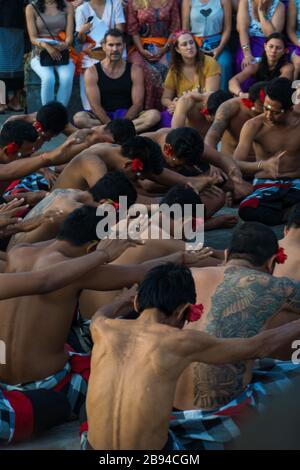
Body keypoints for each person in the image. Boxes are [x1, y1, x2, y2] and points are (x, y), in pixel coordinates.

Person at [0, 204, 200, 444]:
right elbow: (138, 272)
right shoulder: (77, 271)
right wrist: (178, 258)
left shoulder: (18, 251)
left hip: (5, 375)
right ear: (91, 247)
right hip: (50, 382)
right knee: (118, 363)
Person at [83, 262, 300, 450]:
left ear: (137, 302)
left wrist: (122, 300)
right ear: (182, 311)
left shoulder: (101, 328)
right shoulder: (180, 341)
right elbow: (258, 347)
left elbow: (99, 315)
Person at [174, 222, 300, 412]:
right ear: (272, 261)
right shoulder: (277, 286)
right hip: (220, 413)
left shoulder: (185, 275)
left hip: (165, 404)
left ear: (226, 254)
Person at [8, 171, 137, 247]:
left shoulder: (69, 192)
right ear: (105, 203)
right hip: (15, 256)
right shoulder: (76, 210)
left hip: (13, 246)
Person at [234, 78, 300, 225]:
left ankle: (288, 212)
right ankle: (290, 214)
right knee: (247, 209)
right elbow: (235, 164)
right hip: (266, 184)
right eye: (265, 108)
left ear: (290, 109)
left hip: (297, 184)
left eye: (276, 112)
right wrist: (262, 165)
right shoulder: (253, 125)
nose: (268, 115)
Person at [53, 136, 218, 195]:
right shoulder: (93, 163)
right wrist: (167, 202)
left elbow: (155, 174)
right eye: (139, 176)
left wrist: (192, 182)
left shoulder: (123, 153)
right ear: (131, 166)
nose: (140, 181)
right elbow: (114, 201)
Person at [73, 29, 161, 131]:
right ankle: (121, 132)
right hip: (103, 117)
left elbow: (138, 104)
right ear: (104, 46)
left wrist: (123, 124)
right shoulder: (92, 72)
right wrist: (111, 125)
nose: (115, 49)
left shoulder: (135, 70)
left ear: (123, 46)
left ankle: (110, 133)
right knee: (79, 119)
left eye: (118, 45)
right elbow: (95, 105)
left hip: (128, 117)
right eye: (111, 45)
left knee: (154, 115)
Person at [142, 126, 252, 202]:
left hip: (186, 186)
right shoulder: (145, 146)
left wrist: (233, 170)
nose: (180, 167)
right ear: (167, 150)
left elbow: (220, 158)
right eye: (178, 164)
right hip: (150, 198)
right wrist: (197, 181)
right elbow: (148, 185)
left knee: (233, 192)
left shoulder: (189, 142)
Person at [126, 0, 180, 110]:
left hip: (166, 46)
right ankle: (144, 109)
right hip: (140, 47)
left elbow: (175, 28)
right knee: (140, 67)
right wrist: (141, 50)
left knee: (170, 66)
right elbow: (133, 30)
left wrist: (165, 48)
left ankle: (168, 109)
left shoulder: (171, 2)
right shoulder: (134, 2)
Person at [161, 31, 221, 128]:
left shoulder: (210, 62)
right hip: (180, 111)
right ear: (177, 49)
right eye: (184, 45)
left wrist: (182, 104)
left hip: (202, 109)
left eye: (191, 42)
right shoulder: (174, 69)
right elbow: (165, 98)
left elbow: (211, 95)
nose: (189, 47)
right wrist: (173, 104)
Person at [75, 0, 125, 110]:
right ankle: (92, 111)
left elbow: (120, 31)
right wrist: (82, 32)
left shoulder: (115, 4)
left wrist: (106, 42)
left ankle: (114, 111)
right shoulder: (82, 9)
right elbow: (81, 40)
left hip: (114, 49)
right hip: (92, 53)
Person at [25, 0, 75, 106]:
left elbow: (70, 37)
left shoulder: (68, 6)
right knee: (48, 78)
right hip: (40, 52)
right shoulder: (31, 7)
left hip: (62, 50)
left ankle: (60, 113)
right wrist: (46, 46)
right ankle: (47, 114)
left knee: (67, 78)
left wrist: (65, 44)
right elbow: (33, 38)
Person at [204, 80, 267, 156]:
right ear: (250, 103)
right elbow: (212, 136)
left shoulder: (278, 112)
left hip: (266, 165)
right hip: (229, 162)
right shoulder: (230, 107)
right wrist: (215, 164)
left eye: (270, 110)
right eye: (261, 111)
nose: (267, 114)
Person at [181, 0, 232, 91]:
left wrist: (219, 48)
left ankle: (221, 99)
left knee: (224, 63)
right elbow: (185, 29)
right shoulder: (187, 1)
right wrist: (194, 48)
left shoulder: (224, 1)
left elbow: (227, 28)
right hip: (194, 45)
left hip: (218, 44)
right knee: (195, 65)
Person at [236, 0, 285, 73]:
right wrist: (247, 55)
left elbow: (272, 36)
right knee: (246, 62)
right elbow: (242, 30)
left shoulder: (279, 5)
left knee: (264, 61)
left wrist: (261, 12)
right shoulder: (245, 2)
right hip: (247, 42)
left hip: (269, 44)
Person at [0, 0, 26, 113]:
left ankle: (16, 100)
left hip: (18, 22)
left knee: (17, 63)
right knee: (2, 63)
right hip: (1, 23)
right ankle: (1, 101)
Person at [286, 0, 300, 79]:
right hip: (297, 42)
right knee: (297, 63)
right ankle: (292, 89)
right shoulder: (295, 1)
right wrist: (299, 43)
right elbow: (290, 30)